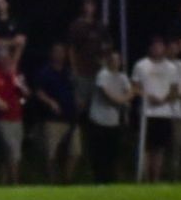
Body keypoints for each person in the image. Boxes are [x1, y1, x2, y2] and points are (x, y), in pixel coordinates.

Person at [33, 43, 79, 184]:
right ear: (52, 53)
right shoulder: (45, 72)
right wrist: (50, 102)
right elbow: (38, 91)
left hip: (70, 118)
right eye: (57, 51)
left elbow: (75, 88)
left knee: (75, 151)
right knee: (51, 153)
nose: (60, 54)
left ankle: (67, 180)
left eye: (62, 52)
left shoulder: (68, 72)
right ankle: (52, 181)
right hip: (53, 119)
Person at [0, 48, 28, 184]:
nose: (6, 61)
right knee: (10, 148)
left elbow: (26, 94)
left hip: (17, 118)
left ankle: (6, 182)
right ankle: (15, 181)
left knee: (15, 151)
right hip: (1, 119)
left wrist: (19, 83)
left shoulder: (15, 74)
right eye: (3, 58)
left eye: (8, 59)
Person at [88, 49, 133, 184]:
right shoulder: (103, 75)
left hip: (113, 122)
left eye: (117, 59)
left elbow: (130, 93)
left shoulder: (122, 77)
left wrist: (126, 99)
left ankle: (110, 180)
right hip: (99, 120)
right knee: (99, 154)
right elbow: (107, 96)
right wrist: (123, 100)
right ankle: (98, 180)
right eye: (112, 59)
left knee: (112, 154)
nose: (115, 62)